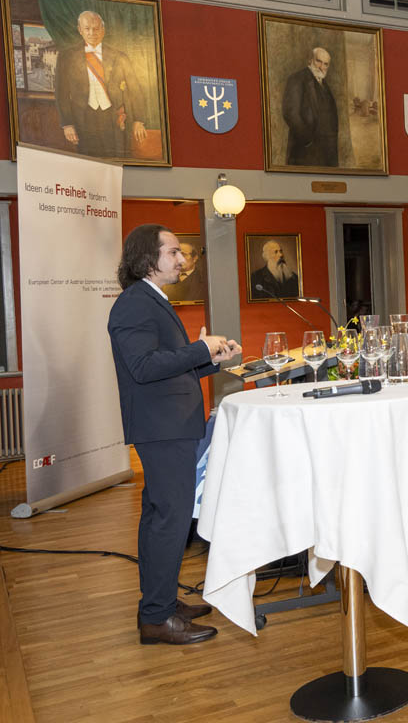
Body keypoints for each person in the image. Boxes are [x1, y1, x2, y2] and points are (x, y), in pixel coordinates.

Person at [108, 224, 242, 645]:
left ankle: (161, 603)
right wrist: (201, 349)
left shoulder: (153, 301)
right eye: (174, 252)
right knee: (170, 521)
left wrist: (212, 359)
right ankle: (156, 618)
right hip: (162, 428)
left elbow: (168, 366)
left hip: (170, 424)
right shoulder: (134, 304)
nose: (183, 260)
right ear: (147, 258)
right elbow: (144, 368)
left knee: (159, 519)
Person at [54, 10, 148, 160]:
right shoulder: (66, 57)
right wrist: (67, 124)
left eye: (96, 28)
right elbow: (61, 93)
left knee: (116, 162)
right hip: (82, 121)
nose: (92, 33)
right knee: (87, 164)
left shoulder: (120, 57)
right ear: (80, 30)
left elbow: (135, 88)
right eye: (87, 29)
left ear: (103, 30)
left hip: (114, 119)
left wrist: (139, 120)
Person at [282, 46, 338, 166]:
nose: (321, 67)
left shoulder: (325, 85)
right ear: (310, 60)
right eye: (318, 61)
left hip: (326, 154)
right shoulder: (297, 79)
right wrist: (307, 140)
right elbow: (290, 113)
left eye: (325, 64)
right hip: (305, 151)